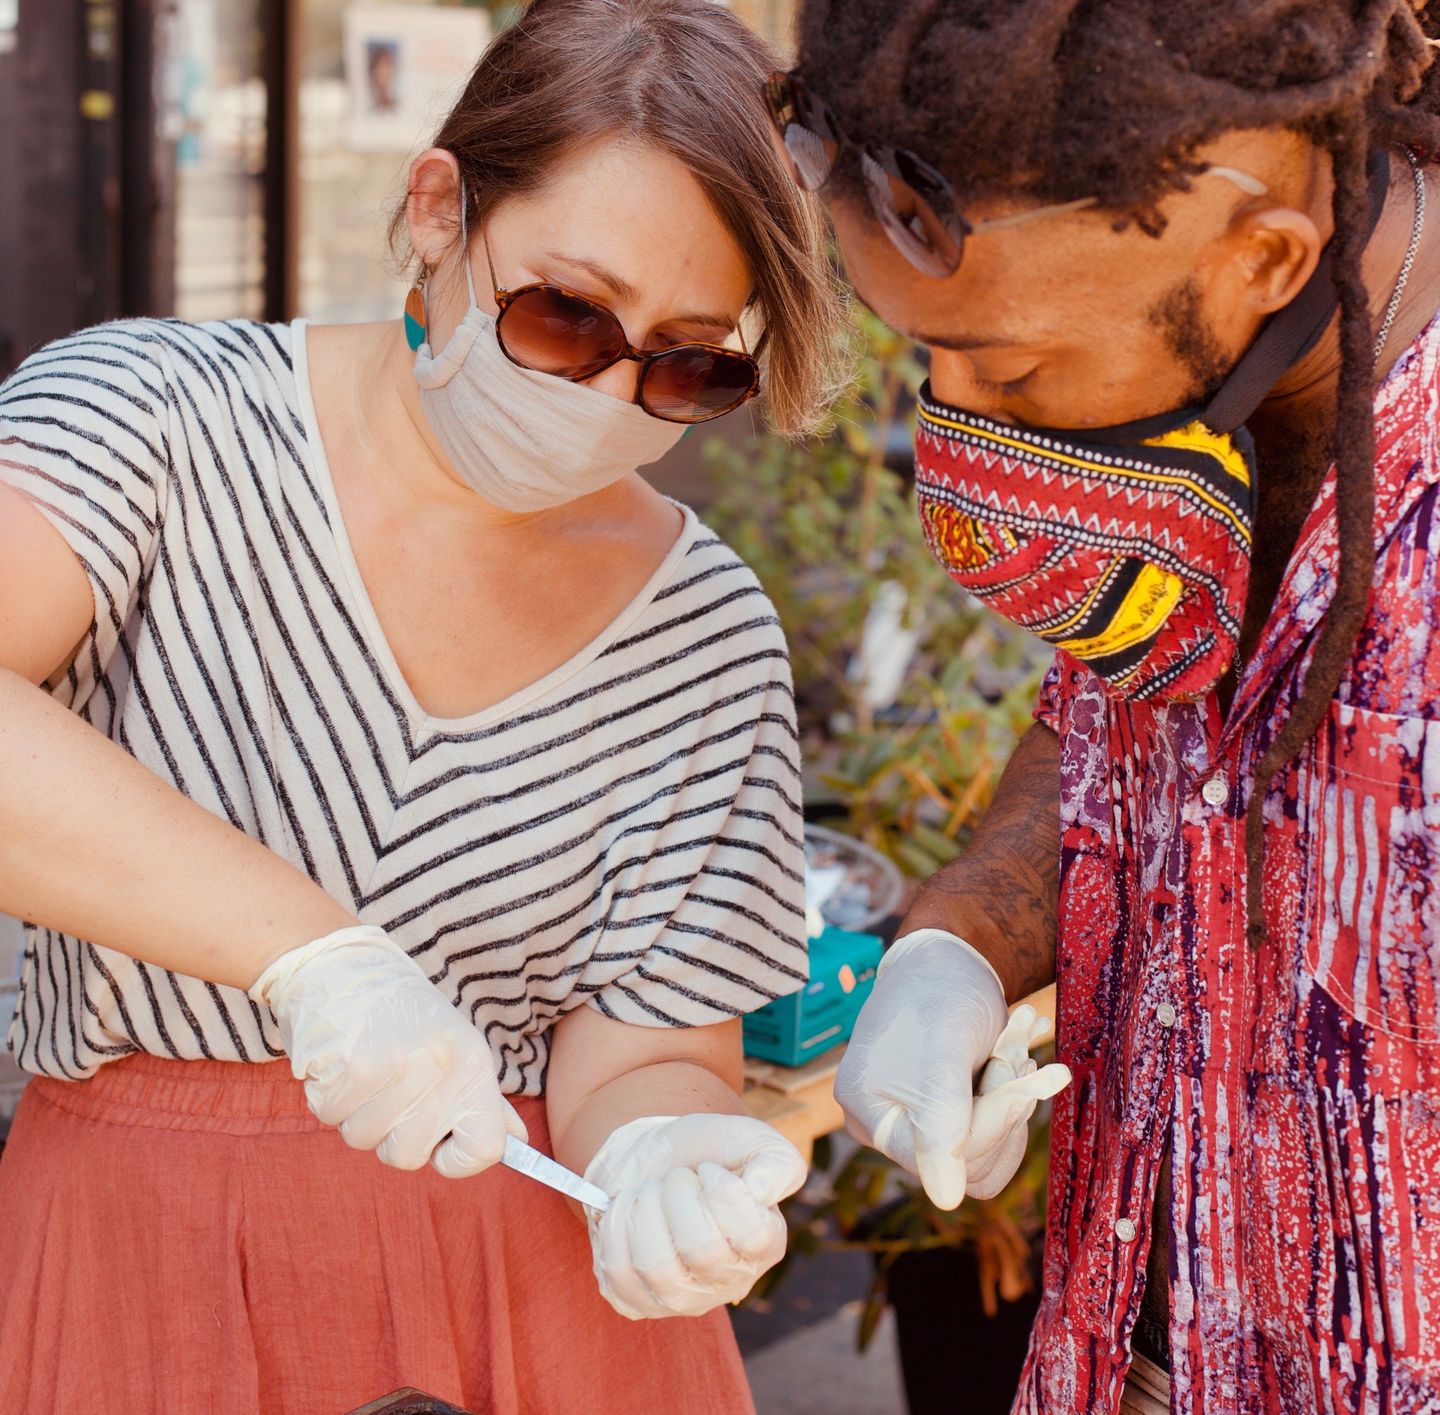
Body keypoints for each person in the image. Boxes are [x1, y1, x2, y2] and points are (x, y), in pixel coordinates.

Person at [0, 1, 844, 1411]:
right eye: (566, 313)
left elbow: (644, 1049)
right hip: (146, 1270)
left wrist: (663, 1161)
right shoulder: (150, 420)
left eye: (692, 360)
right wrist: (312, 960)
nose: (609, 392)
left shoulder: (707, 631)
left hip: (535, 1302)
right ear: (441, 211)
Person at [777, 2, 1440, 1412]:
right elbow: (1130, 726)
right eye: (925, 358)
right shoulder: (1196, 412)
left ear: (1265, 254)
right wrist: (957, 948)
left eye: (1009, 367)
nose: (961, 414)